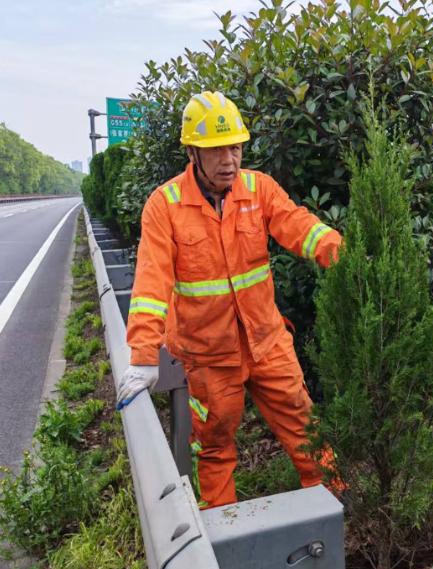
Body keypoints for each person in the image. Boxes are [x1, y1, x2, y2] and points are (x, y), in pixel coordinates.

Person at [115, 91, 342, 509]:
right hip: (209, 357)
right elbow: (152, 282)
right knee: (216, 447)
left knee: (307, 430)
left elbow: (298, 225)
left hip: (267, 343)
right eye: (216, 150)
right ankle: (222, 540)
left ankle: (339, 514)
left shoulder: (258, 189)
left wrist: (341, 252)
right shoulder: (165, 206)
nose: (229, 160)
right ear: (191, 153)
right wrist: (143, 356)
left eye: (234, 147)